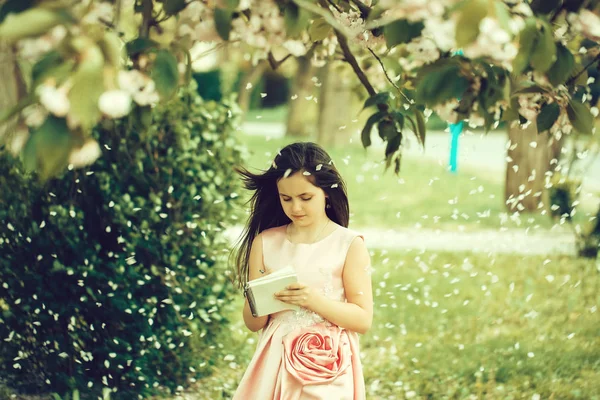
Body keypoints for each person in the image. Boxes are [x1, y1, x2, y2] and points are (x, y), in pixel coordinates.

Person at [231, 142, 373, 399]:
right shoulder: (265, 242)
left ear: (327, 192)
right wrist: (264, 299)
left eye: (306, 198)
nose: (295, 208)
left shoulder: (349, 244)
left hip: (327, 364)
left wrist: (313, 301)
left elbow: (363, 319)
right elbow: (253, 323)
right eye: (286, 199)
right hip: (276, 361)